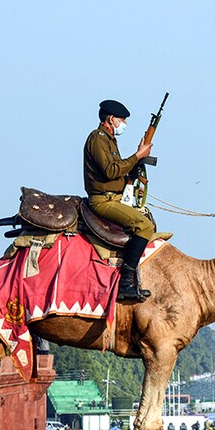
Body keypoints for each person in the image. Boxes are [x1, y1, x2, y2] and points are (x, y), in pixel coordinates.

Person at [83, 99, 155, 302]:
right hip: (103, 201)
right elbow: (110, 171)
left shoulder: (109, 140)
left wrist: (137, 165)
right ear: (111, 119)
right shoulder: (97, 139)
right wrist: (137, 155)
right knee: (144, 226)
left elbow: (118, 173)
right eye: (122, 120)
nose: (124, 124)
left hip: (114, 197)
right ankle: (126, 283)